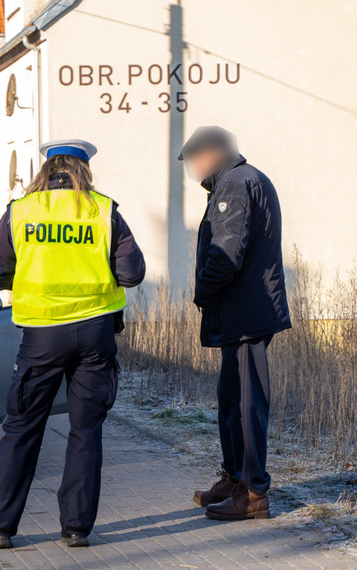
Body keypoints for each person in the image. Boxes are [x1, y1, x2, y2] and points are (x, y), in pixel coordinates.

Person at [0, 139, 146, 549]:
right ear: (84, 171)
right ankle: (76, 528)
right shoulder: (103, 210)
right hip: (95, 333)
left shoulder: (20, 211)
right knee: (85, 432)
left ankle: (0, 528)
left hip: (42, 335)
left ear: (46, 170)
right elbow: (132, 272)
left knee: (20, 429)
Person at [180, 126, 291, 521]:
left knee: (245, 404)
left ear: (213, 154)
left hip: (245, 312)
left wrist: (203, 294)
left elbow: (225, 254)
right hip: (241, 312)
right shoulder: (237, 181)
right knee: (232, 400)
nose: (192, 169)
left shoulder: (236, 184)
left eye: (194, 159)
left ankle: (253, 492)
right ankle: (234, 478)